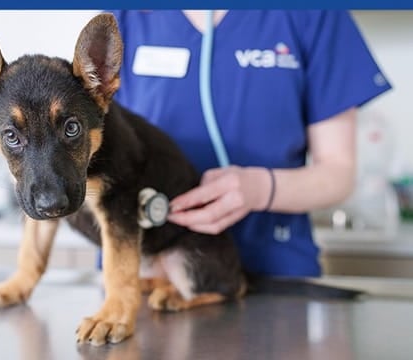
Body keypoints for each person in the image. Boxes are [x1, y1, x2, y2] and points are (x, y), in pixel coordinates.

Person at [109, 10, 391, 277]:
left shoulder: (315, 14)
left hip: (275, 271)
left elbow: (338, 172)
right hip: (148, 271)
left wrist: (259, 189)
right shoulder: (126, 16)